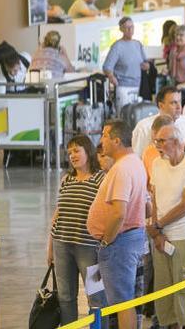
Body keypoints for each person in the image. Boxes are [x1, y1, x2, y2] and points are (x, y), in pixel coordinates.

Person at [86, 120, 147, 329]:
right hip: (128, 239)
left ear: (117, 140)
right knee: (123, 301)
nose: (101, 140)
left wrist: (106, 240)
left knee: (122, 303)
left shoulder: (122, 169)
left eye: (104, 135)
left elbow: (119, 213)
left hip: (119, 243)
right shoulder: (134, 162)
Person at [147, 124, 185, 328]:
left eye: (162, 141)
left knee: (184, 295)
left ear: (178, 142)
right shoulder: (156, 164)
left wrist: (159, 224)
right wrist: (156, 232)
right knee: (164, 295)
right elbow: (155, 199)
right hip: (162, 237)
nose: (158, 145)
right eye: (156, 141)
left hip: (184, 237)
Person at [47, 135, 106, 324]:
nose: (72, 155)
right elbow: (58, 214)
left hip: (89, 248)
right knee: (65, 298)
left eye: (76, 150)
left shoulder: (100, 179)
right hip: (62, 245)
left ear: (88, 152)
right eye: (70, 152)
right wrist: (50, 248)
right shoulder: (67, 179)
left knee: (96, 297)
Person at [131, 86, 185, 158]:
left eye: (180, 102)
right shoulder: (144, 127)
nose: (179, 107)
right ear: (161, 105)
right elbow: (136, 160)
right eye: (173, 103)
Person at [103, 17, 150, 110]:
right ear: (121, 29)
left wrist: (146, 66)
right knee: (124, 113)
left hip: (138, 86)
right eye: (127, 27)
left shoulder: (137, 44)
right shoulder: (117, 46)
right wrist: (112, 77)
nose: (130, 30)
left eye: (132, 27)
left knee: (136, 114)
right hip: (123, 86)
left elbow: (146, 63)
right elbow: (107, 66)